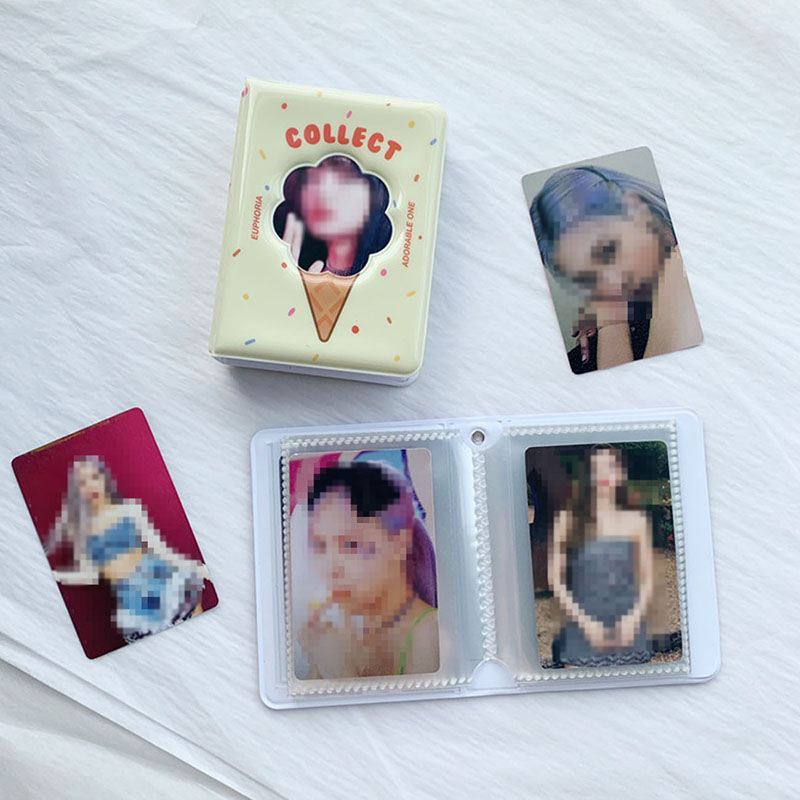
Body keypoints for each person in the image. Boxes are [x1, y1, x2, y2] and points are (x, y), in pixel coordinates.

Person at [529, 165, 702, 372]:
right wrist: (610, 322)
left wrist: (611, 326)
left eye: (607, 251)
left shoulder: (682, 263)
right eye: (589, 279)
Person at [295, 460, 439, 679]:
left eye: (350, 544)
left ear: (398, 544)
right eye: (321, 545)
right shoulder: (341, 636)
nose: (332, 567)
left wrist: (337, 670)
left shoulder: (429, 635)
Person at [47, 456, 208, 642]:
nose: (91, 486)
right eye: (83, 483)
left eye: (94, 477)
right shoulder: (82, 531)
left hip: (164, 584)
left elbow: (159, 549)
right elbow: (90, 575)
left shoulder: (129, 510)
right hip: (134, 603)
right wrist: (57, 575)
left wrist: (194, 567)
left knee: (200, 636)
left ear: (104, 479)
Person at [549, 446, 655, 667]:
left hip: (629, 631)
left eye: (611, 467)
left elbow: (647, 579)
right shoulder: (567, 521)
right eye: (597, 468)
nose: (605, 474)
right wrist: (585, 623)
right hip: (581, 630)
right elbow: (556, 581)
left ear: (621, 474)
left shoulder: (637, 522)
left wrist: (633, 618)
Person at [274, 155, 391, 276]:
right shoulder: (301, 266)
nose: (321, 191)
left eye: (344, 178)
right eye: (313, 179)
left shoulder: (385, 271)